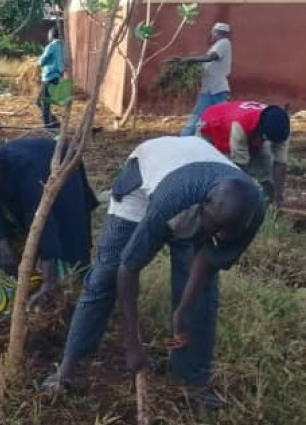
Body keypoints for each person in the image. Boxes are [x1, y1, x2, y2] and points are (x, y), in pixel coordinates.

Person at [42, 136, 264, 410]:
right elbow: (129, 268)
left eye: (227, 233)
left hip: (195, 174)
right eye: (215, 227)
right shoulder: (173, 201)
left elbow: (207, 262)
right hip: (146, 175)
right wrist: (132, 344)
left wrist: (182, 312)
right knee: (105, 276)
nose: (219, 236)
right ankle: (66, 368)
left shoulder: (250, 211)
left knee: (200, 295)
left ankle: (192, 383)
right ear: (202, 207)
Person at [0, 138, 97, 313]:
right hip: (31, 184)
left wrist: (49, 275)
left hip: (60, 168)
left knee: (70, 231)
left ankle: (83, 292)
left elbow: (40, 217)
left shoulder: (21, 168)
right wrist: (4, 243)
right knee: (1, 233)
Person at [196, 100, 290, 207]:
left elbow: (280, 163)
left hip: (249, 130)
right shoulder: (241, 124)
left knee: (265, 170)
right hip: (212, 125)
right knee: (213, 170)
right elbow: (239, 167)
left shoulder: (281, 125)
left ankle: (267, 203)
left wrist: (278, 196)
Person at [174, 23, 232, 136]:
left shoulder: (223, 43)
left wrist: (191, 59)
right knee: (203, 116)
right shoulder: (219, 45)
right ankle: (189, 138)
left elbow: (211, 57)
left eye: (213, 32)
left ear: (216, 32)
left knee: (211, 116)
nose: (212, 35)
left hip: (216, 89)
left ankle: (185, 138)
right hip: (210, 88)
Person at [37, 27, 66, 129]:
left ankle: (48, 125)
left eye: (49, 34)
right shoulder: (63, 47)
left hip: (49, 77)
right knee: (44, 101)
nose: (48, 36)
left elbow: (42, 61)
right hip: (57, 77)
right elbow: (66, 62)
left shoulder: (51, 46)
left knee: (43, 102)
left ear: (52, 35)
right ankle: (53, 121)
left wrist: (38, 61)